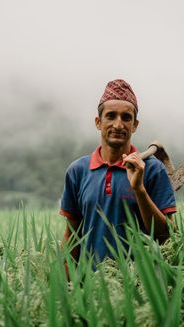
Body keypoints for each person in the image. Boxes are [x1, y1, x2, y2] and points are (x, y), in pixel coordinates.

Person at [59, 79, 177, 269]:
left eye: (126, 117)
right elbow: (72, 235)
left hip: (141, 286)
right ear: (98, 122)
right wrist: (66, 289)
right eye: (111, 116)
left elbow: (167, 238)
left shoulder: (152, 169)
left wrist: (139, 189)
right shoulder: (78, 171)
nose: (118, 124)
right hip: (91, 287)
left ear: (135, 125)